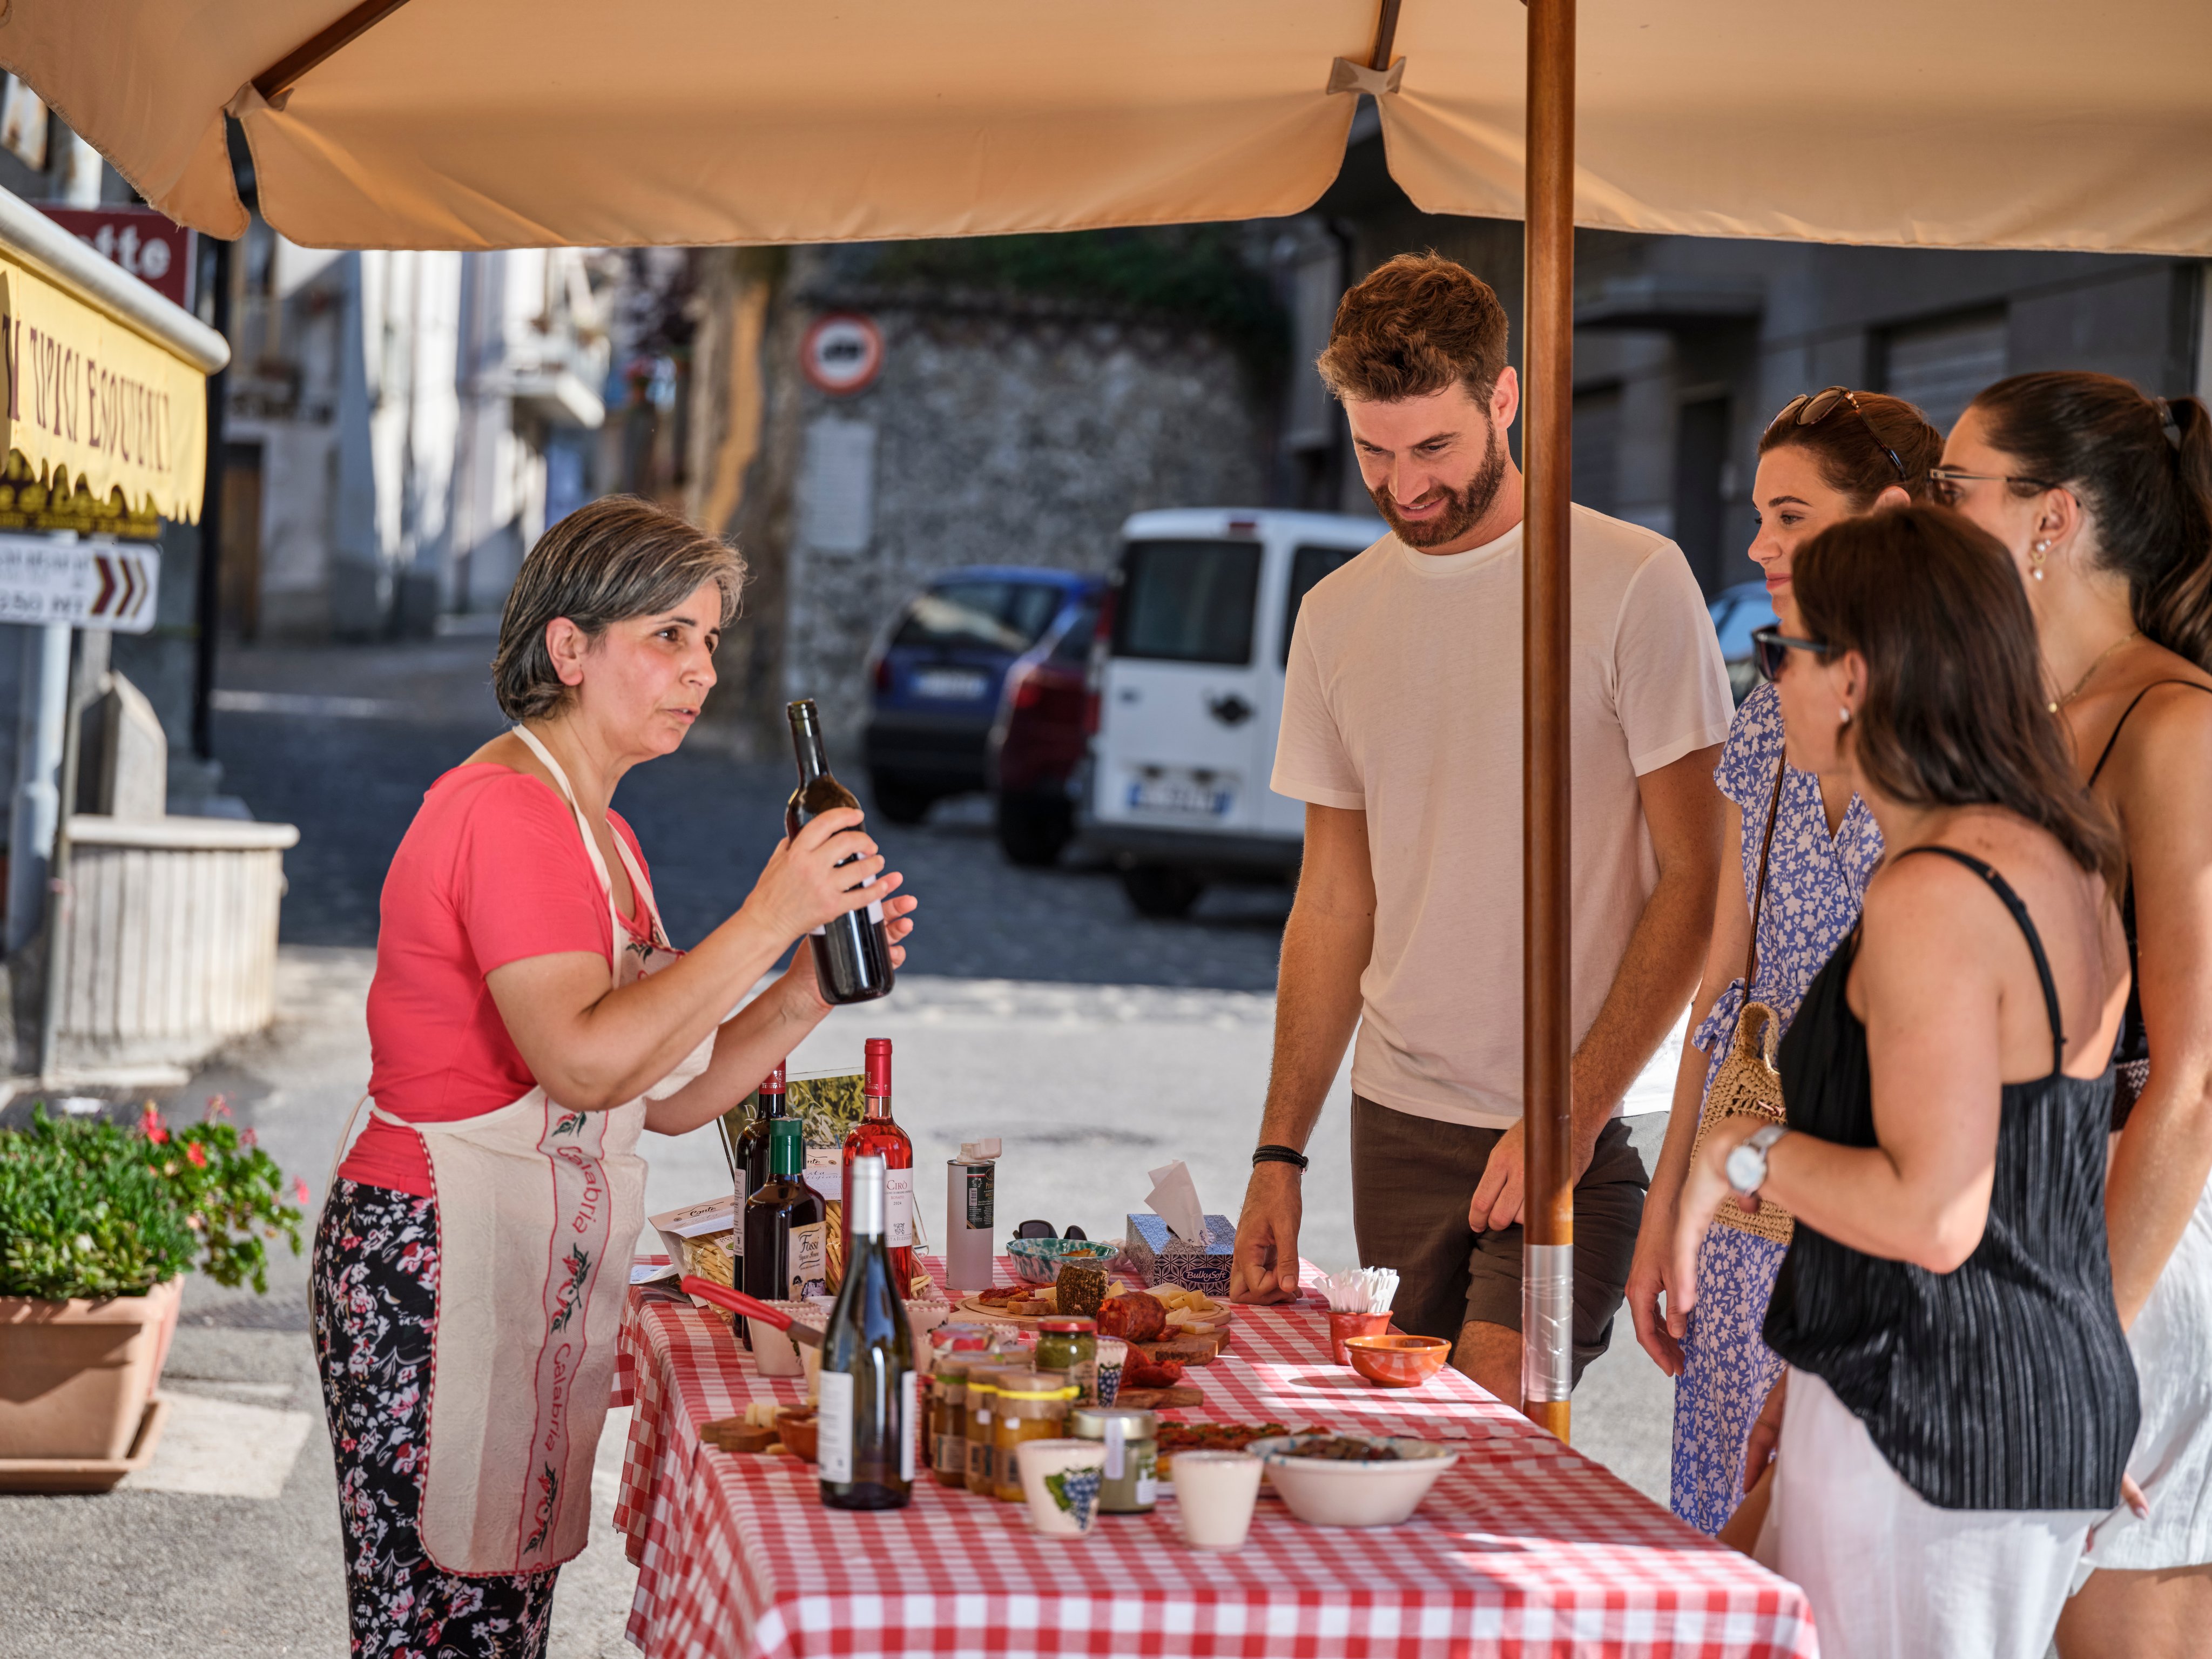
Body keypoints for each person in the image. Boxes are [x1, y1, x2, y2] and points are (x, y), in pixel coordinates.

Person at [309, 496, 918, 1655]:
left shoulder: (602, 832)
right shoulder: (508, 812)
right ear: (569, 648)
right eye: (668, 637)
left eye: (709, 641)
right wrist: (763, 914)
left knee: (495, 1618)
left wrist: (803, 985)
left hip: (511, 1260)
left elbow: (670, 1088)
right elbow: (582, 1064)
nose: (700, 669)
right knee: (437, 1628)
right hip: (429, 1263)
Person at [1228, 251, 1735, 1410]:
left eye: (1433, 449)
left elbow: (1697, 876)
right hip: (1396, 1123)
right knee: (1403, 1444)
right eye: (1371, 450)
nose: (1401, 486)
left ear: (1503, 399)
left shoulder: (1629, 582)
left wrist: (1569, 1112)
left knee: (1497, 1421)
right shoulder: (1333, 615)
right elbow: (1332, 902)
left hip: (1580, 1122)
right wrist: (1276, 1152)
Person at [1672, 504, 2138, 1658]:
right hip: (1995, 1410)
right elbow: (2036, 1185)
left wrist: (1733, 1152)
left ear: (1855, 677)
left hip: (1934, 1421)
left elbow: (1932, 1213)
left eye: (1781, 651)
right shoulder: (2058, 861)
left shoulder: (1933, 892)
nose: (1765, 679)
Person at [1627, 389, 1938, 1536]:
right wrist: (1670, 1210)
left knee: (1840, 1548)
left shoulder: (1964, 723)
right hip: (1744, 1215)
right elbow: (1721, 995)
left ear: (1889, 516)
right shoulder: (1765, 714)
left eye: (1790, 515)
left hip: (1881, 1213)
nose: (1757, 544)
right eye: (1758, 514)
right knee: (1722, 1537)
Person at [1936, 373, 2212, 1658]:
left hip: (2125, 1249)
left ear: (2048, 519)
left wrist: (2077, 1360)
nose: (1929, 515)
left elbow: (2196, 1075)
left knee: (2114, 1627)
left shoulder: (2174, 729)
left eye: (1952, 491)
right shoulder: (2028, 719)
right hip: (2002, 1241)